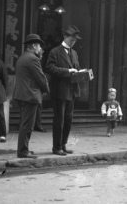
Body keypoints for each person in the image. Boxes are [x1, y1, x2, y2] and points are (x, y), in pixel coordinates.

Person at [46, 25, 83, 156]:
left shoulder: (74, 53)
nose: (74, 42)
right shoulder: (55, 52)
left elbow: (76, 69)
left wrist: (81, 73)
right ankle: (56, 147)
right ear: (65, 36)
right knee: (59, 119)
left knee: (68, 119)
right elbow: (50, 68)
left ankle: (63, 144)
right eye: (72, 39)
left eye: (75, 40)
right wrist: (68, 71)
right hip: (59, 91)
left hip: (71, 91)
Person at [14, 34, 49, 159]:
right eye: (39, 46)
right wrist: (46, 90)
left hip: (23, 95)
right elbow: (41, 77)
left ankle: (24, 149)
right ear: (34, 46)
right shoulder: (33, 59)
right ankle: (23, 151)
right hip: (29, 96)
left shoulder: (23, 57)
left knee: (25, 124)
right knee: (27, 125)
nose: (40, 49)